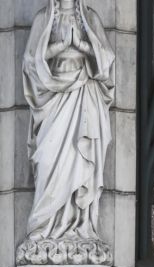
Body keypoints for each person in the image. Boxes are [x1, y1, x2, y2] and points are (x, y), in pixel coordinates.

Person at [22, 0, 114, 243]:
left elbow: (105, 59)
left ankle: (78, 224)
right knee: (48, 158)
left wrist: (81, 45)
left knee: (81, 158)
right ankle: (46, 226)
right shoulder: (44, 17)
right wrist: (61, 45)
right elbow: (32, 60)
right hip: (54, 98)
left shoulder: (89, 17)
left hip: (83, 93)